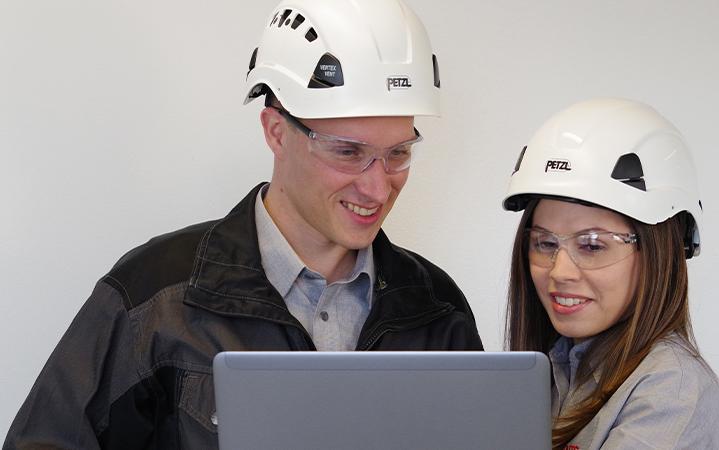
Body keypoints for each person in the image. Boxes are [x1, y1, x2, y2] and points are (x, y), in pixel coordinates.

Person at [4, 0, 482, 448]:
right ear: (276, 131)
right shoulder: (154, 298)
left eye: (398, 153)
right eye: (348, 152)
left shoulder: (438, 310)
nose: (378, 189)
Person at [503, 98, 719, 449]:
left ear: (661, 252)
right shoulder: (560, 369)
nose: (560, 271)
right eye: (545, 243)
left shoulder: (671, 392)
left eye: (593, 245)